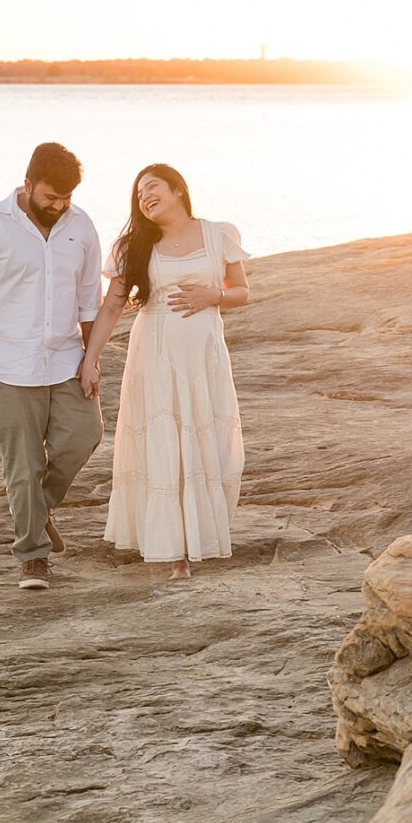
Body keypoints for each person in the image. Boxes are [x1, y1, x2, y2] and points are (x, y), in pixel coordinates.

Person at [80, 163, 249, 576]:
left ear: (177, 189)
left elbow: (242, 292)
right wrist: (90, 359)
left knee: (203, 438)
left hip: (204, 356)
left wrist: (214, 295)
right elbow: (113, 307)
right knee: (163, 443)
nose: (144, 197)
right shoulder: (133, 246)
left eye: (152, 188)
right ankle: (175, 555)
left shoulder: (218, 234)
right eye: (139, 194)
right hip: (154, 355)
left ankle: (199, 538)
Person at [0, 141, 104, 590]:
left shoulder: (82, 226)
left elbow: (89, 301)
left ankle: (38, 510)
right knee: (23, 464)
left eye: (65, 200)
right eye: (50, 197)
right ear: (28, 183)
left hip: (65, 358)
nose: (58, 207)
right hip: (6, 364)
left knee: (85, 435)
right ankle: (32, 557)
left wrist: (91, 360)